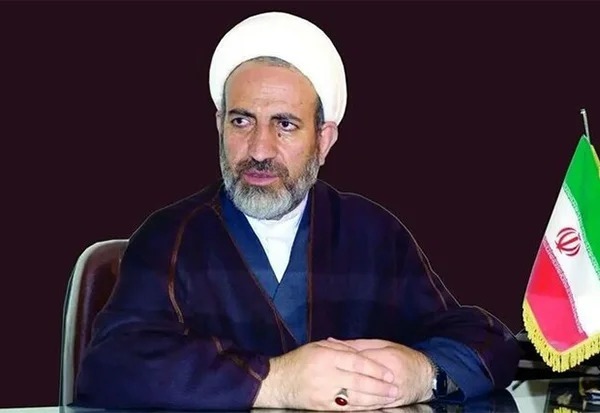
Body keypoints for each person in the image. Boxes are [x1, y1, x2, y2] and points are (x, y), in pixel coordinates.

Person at [73, 10, 520, 411]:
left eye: (284, 125)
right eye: (241, 121)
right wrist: (276, 382)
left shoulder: (372, 234)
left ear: (324, 140)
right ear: (219, 125)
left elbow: (487, 341)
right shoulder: (170, 236)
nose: (259, 149)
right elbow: (112, 365)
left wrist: (421, 374)